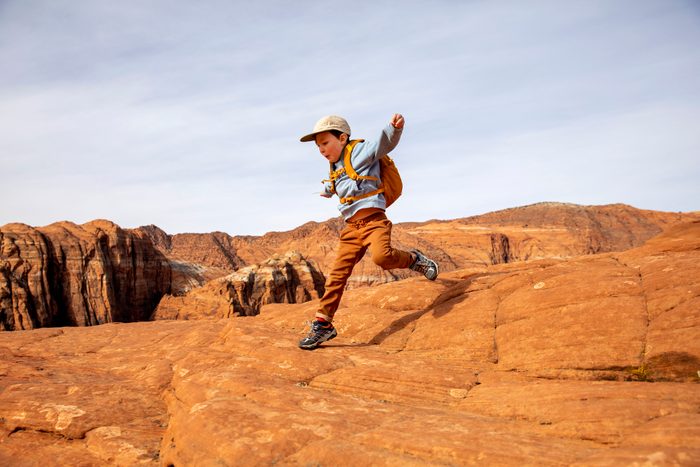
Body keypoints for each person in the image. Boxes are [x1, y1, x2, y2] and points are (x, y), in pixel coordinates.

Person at [297, 114, 439, 350]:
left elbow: (382, 144)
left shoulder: (359, 151)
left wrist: (393, 129)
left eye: (325, 143)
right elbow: (335, 183)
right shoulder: (335, 166)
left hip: (374, 221)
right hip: (352, 228)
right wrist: (326, 189)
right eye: (318, 146)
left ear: (342, 138)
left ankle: (414, 260)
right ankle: (323, 325)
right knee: (337, 275)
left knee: (382, 257)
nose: (321, 150)